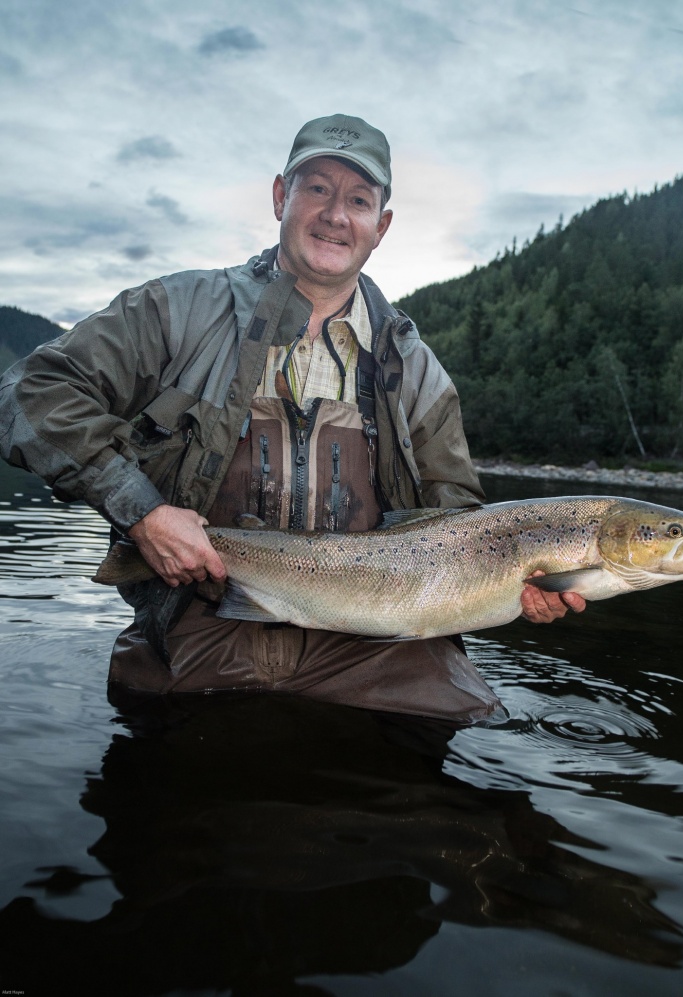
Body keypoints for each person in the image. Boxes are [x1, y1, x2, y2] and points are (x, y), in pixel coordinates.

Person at [0, 113, 584, 722]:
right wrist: (141, 512)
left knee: (473, 735)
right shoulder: (177, 311)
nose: (336, 215)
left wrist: (514, 587)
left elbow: (460, 521)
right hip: (201, 628)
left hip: (375, 652)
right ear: (281, 197)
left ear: (380, 227)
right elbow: (27, 393)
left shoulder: (415, 368)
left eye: (358, 199)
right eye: (318, 189)